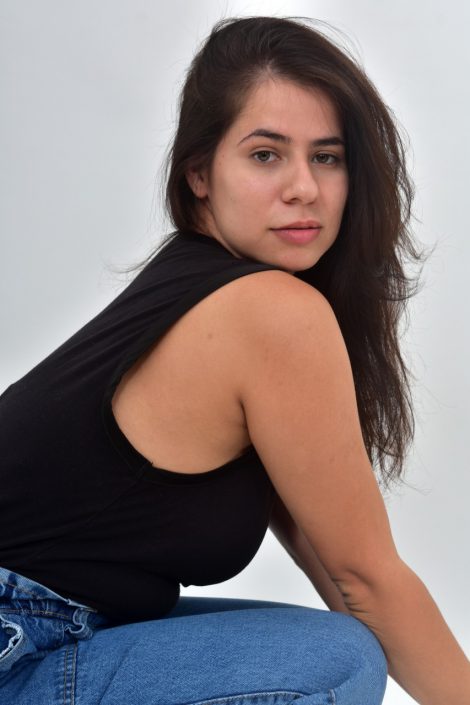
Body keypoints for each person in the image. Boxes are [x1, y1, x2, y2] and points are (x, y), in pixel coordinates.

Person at [0, 15, 468, 705]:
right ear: (199, 173)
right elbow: (366, 579)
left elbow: (340, 573)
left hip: (58, 624)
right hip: (20, 640)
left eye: (327, 157)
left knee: (335, 645)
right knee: (334, 661)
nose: (304, 187)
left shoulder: (209, 287)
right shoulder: (269, 313)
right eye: (266, 155)